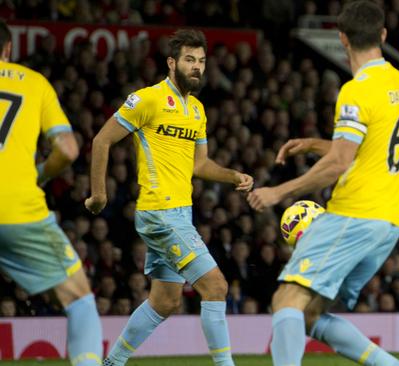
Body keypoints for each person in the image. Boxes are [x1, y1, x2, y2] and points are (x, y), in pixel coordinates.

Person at [247, 2, 399, 365]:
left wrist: (279, 191)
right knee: (308, 314)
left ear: (342, 39)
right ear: (382, 35)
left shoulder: (357, 91)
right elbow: (369, 148)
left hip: (354, 215)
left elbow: (339, 162)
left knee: (286, 300)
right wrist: (314, 144)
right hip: (387, 224)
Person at [85, 29, 253, 366]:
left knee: (164, 301)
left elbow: (200, 164)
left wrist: (233, 175)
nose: (197, 67)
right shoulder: (147, 99)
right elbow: (102, 140)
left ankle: (111, 363)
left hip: (180, 213)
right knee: (216, 287)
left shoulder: (197, 110)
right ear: (171, 62)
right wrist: (99, 194)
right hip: (160, 212)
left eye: (202, 61)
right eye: (190, 60)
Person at [0, 20, 102, 366]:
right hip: (18, 209)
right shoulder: (33, 83)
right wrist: (39, 174)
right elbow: (69, 149)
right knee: (79, 298)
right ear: (8, 51)